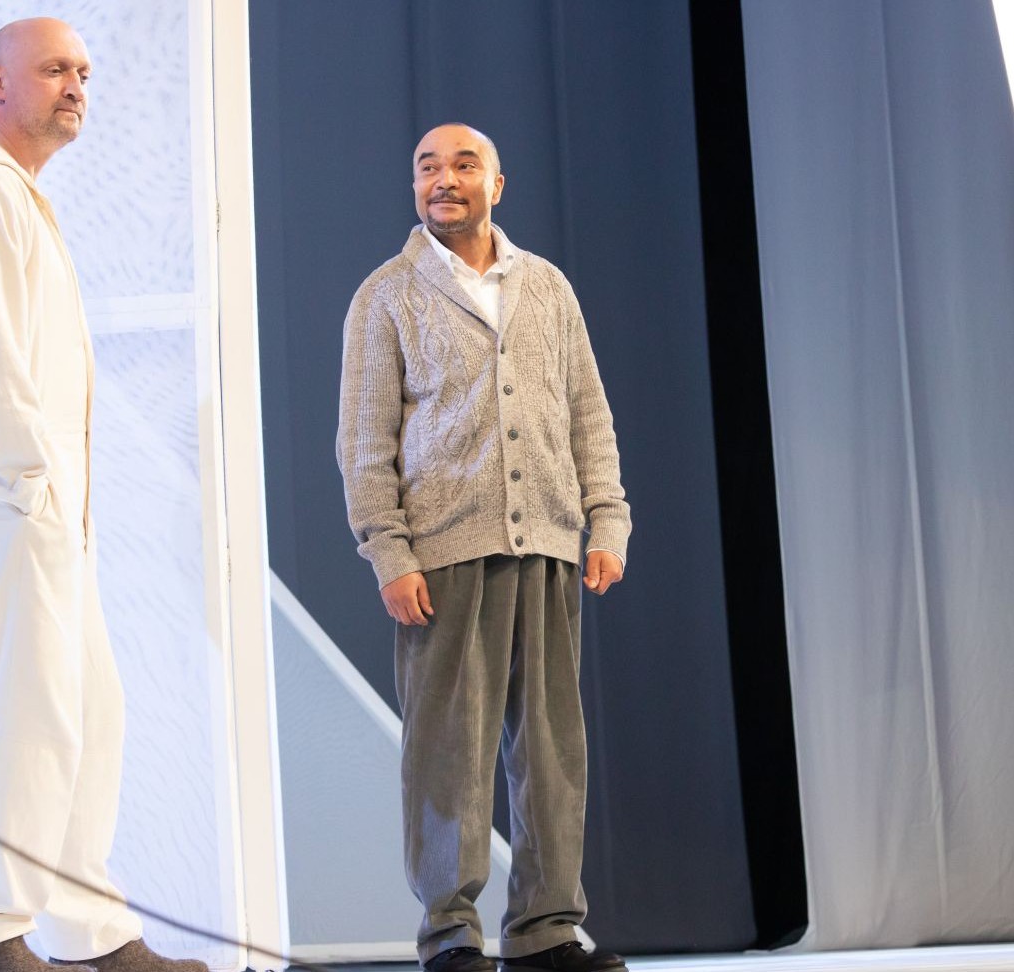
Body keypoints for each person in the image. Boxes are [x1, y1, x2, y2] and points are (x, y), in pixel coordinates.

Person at [0, 18, 203, 972]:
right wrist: (28, 482)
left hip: (24, 488)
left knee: (85, 709)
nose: (77, 87)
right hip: (2, 484)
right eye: (56, 69)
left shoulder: (8, 193)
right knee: (28, 709)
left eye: (85, 73)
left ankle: (87, 933)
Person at [337, 123, 632, 972]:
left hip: (548, 542)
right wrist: (390, 552)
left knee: (551, 751)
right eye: (427, 167)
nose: (444, 179)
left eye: (464, 165)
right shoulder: (386, 296)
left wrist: (607, 521)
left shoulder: (547, 287)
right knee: (449, 756)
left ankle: (545, 933)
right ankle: (450, 937)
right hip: (443, 557)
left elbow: (588, 413)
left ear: (496, 185)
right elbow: (363, 442)